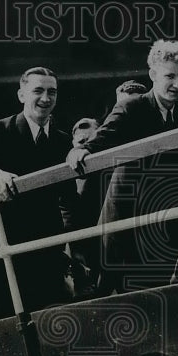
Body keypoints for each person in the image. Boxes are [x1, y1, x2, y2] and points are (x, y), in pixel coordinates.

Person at [66, 40, 178, 292]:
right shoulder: (132, 106)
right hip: (125, 213)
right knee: (115, 288)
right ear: (153, 75)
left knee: (154, 289)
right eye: (170, 76)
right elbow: (102, 137)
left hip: (159, 214)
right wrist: (81, 149)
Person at [0, 67, 74, 321]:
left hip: (43, 248)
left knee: (44, 323)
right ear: (21, 95)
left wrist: (69, 246)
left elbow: (67, 199)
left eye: (52, 92)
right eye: (38, 91)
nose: (45, 98)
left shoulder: (61, 141)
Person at [67, 116, 103, 296]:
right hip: (81, 246)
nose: (84, 147)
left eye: (90, 141)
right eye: (81, 142)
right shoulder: (67, 174)